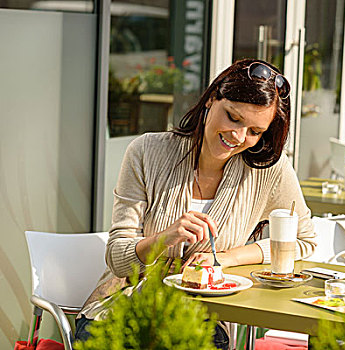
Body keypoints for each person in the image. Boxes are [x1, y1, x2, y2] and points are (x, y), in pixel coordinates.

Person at [75, 58, 317, 349]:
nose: (238, 137)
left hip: (203, 318)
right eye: (233, 117)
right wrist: (165, 237)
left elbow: (304, 240)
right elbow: (117, 257)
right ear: (211, 99)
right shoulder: (146, 152)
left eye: (255, 131)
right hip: (123, 307)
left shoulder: (269, 171)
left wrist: (228, 258)